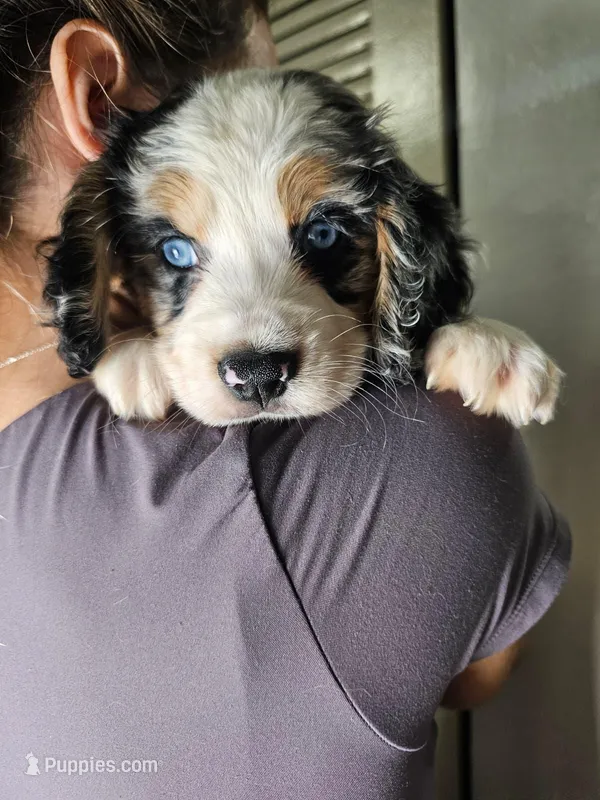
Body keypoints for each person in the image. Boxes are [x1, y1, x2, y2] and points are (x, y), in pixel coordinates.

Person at [0, 2, 570, 798]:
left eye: (326, 236)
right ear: (96, 97)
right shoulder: (426, 459)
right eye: (176, 250)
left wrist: (428, 337)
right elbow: (479, 676)